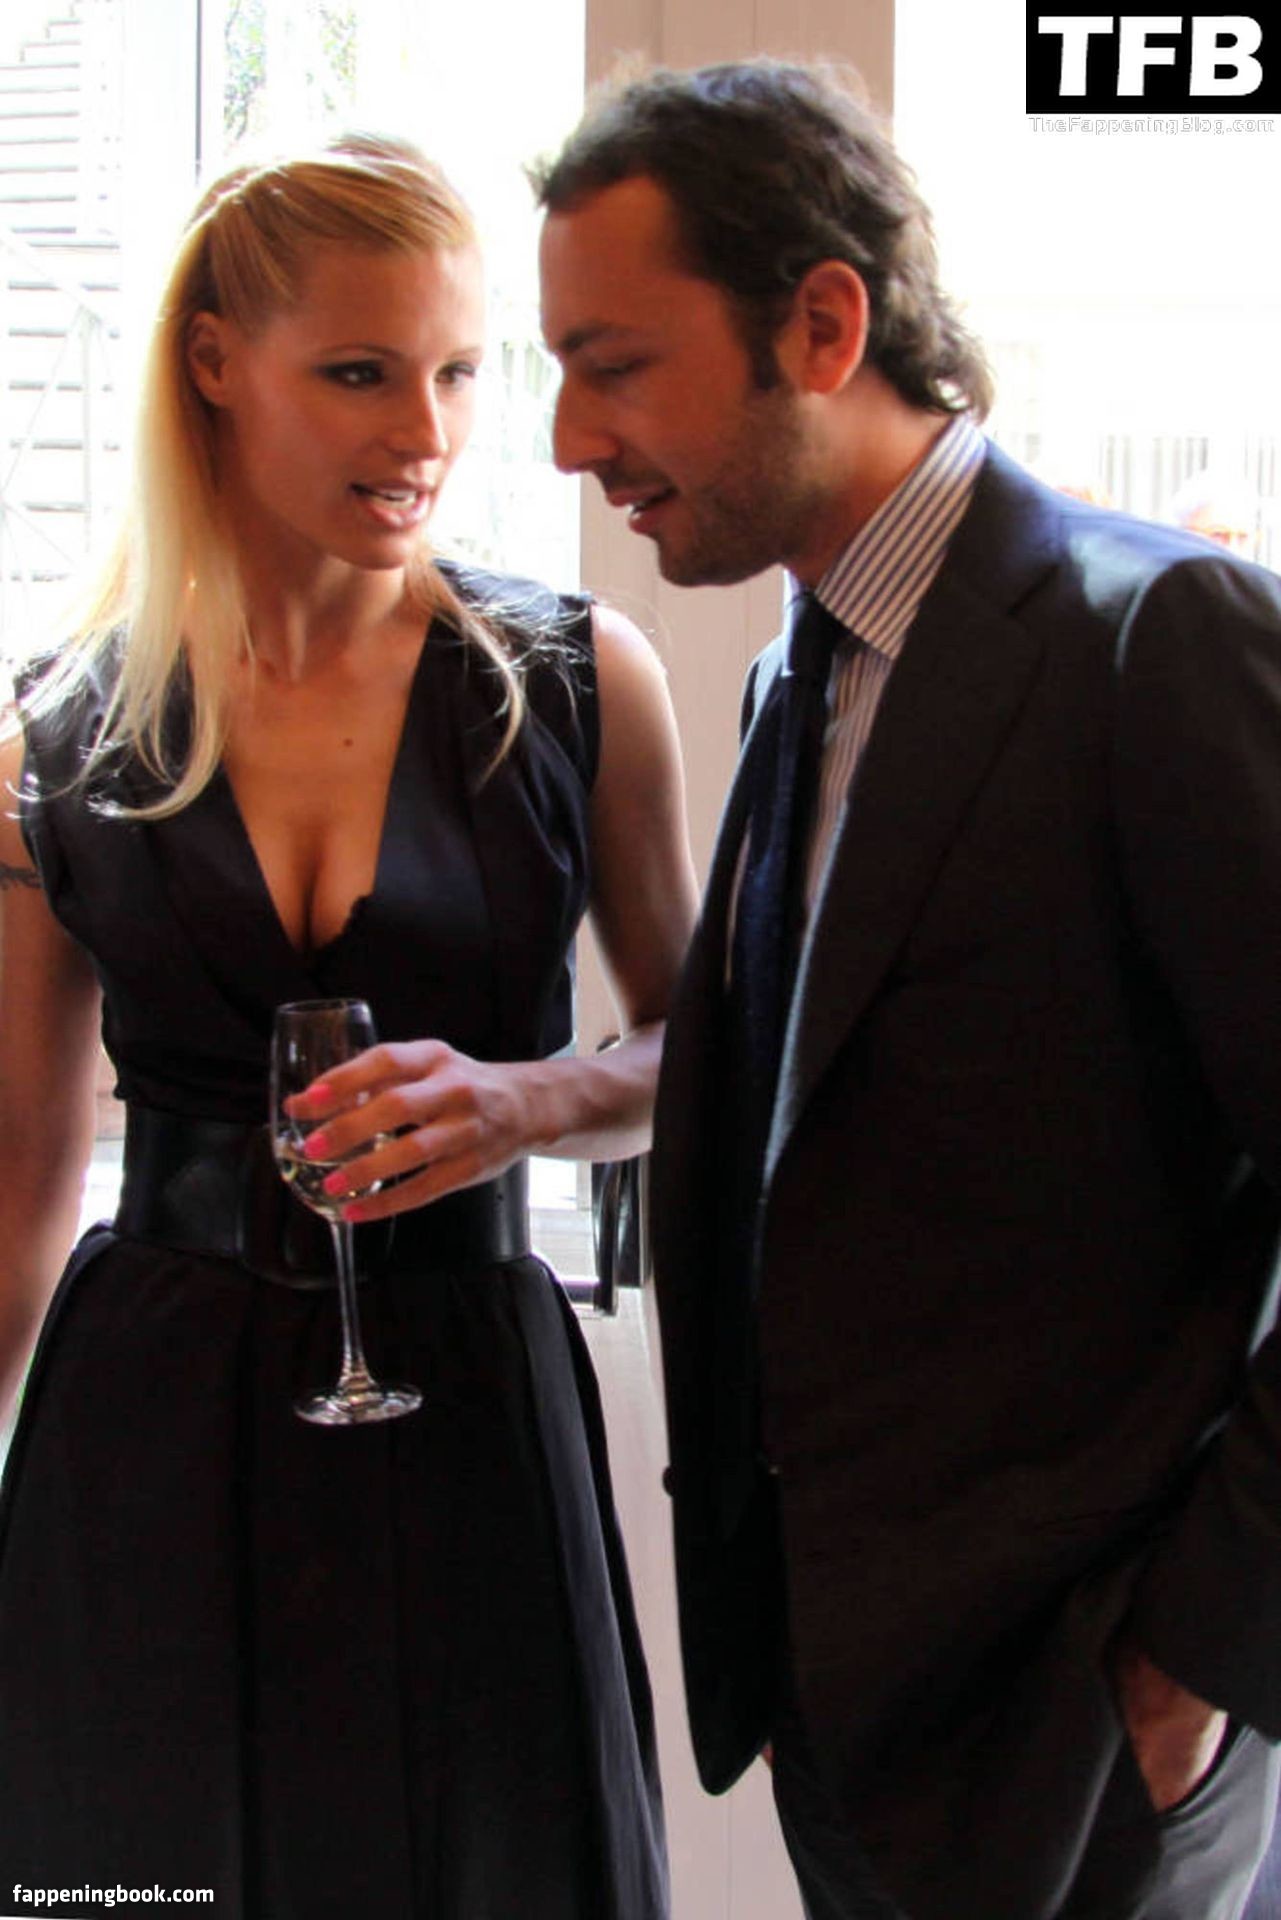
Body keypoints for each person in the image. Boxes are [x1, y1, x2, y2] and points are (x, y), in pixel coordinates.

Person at [535, 59, 1281, 1920]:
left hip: (1088, 1744)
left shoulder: (1158, 638)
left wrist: (1187, 1666)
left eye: (613, 365)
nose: (563, 438)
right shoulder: (795, 674)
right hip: (848, 1722)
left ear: (822, 322)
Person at [0, 133, 695, 1916]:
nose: (429, 432)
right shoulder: (55, 739)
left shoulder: (574, 682)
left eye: (462, 371)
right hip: (150, 1431)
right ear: (214, 365)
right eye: (363, 373)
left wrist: (530, 1102)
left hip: (471, 1406)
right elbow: (16, 1186)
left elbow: (703, 1056)